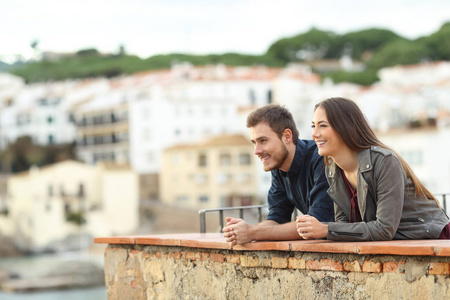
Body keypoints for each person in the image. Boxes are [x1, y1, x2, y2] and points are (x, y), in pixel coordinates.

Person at [296, 97, 450, 241]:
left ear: (344, 127)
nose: (314, 134)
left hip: (433, 237)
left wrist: (325, 229)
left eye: (322, 125)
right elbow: (343, 223)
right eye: (313, 126)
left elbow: (384, 228)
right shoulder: (332, 169)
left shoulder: (383, 161)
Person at [222, 104, 334, 245]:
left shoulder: (321, 159)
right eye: (254, 143)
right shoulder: (278, 165)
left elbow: (316, 224)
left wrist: (252, 232)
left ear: (287, 136)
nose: (256, 150)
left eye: (263, 141)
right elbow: (277, 218)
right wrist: (243, 230)